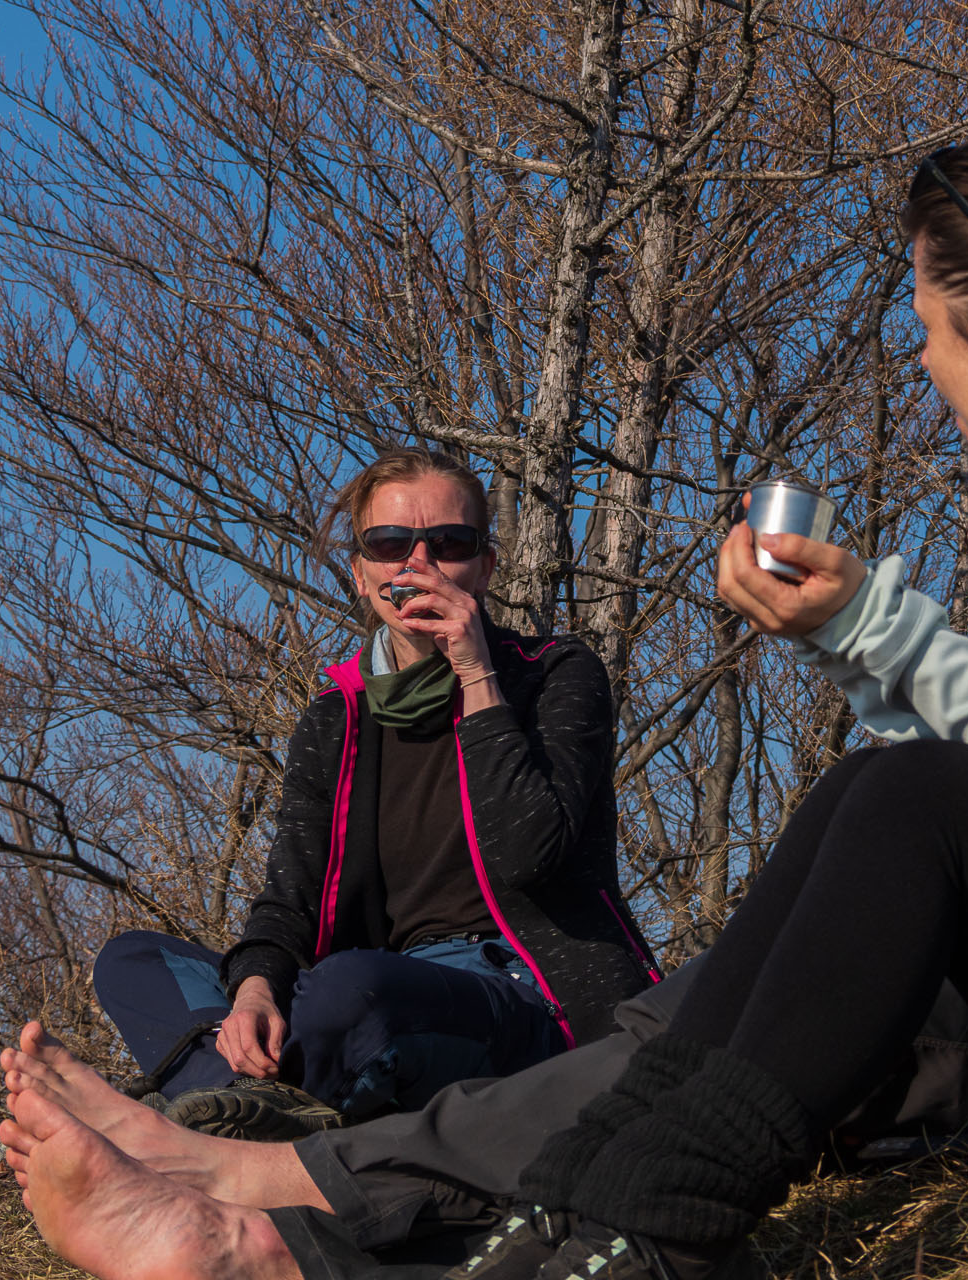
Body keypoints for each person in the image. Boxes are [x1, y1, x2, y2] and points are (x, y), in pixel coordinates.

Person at [0, 123, 968, 1280]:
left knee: (897, 807)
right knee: (775, 995)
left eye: (933, 336)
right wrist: (865, 654)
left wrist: (874, 621)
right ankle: (288, 1215)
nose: (929, 372)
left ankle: (637, 1230)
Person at [88, 447, 659, 1140]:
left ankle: (216, 1112)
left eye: (449, 544)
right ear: (361, 574)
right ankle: (242, 1101)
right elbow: (289, 898)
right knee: (138, 963)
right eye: (390, 544)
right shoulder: (335, 719)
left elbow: (528, 853)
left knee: (350, 992)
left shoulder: (556, 676)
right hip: (364, 987)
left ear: (486, 565)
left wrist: (476, 672)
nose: (417, 565)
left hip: (517, 996)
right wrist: (256, 990)